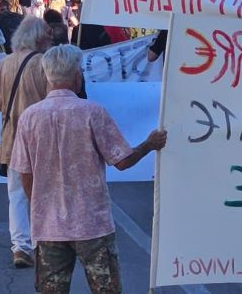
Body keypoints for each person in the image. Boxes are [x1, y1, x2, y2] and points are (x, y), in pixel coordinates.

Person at [11, 44, 167, 293]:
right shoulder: (92, 112)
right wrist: (149, 144)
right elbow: (123, 161)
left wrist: (38, 207)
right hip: (92, 224)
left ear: (46, 76)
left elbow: (25, 173)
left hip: (49, 226)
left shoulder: (30, 117)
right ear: (77, 76)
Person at [0, 16, 53, 268]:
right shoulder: (44, 63)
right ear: (38, 37)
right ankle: (43, 244)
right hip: (41, 139)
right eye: (46, 35)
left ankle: (21, 248)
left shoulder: (5, 63)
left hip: (12, 139)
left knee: (16, 195)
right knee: (43, 193)